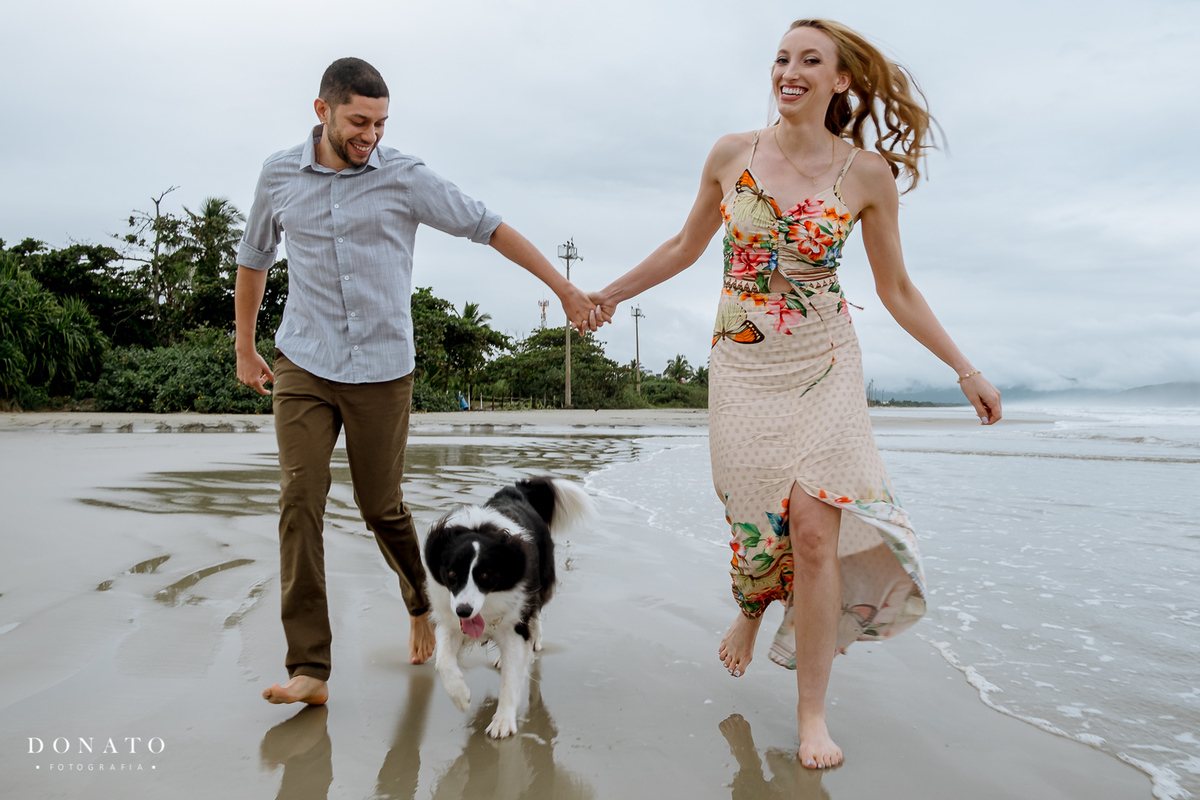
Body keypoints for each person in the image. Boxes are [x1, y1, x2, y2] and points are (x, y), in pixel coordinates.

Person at [588, 19, 1001, 768]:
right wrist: (610, 294)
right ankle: (752, 606)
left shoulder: (865, 174)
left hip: (825, 361)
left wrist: (964, 369)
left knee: (814, 532)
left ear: (840, 80)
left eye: (811, 60)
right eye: (782, 58)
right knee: (756, 525)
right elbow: (684, 246)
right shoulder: (731, 154)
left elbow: (897, 289)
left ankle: (812, 714)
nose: (790, 70)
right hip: (743, 363)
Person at [234, 57, 600, 707]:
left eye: (380, 122)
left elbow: (488, 226)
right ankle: (310, 668)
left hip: (381, 369)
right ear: (322, 111)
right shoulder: (279, 174)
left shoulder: (404, 176)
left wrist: (565, 289)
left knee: (381, 506)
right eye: (358, 121)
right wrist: (244, 345)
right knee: (300, 499)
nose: (370, 134)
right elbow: (255, 257)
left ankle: (418, 598)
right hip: (304, 361)